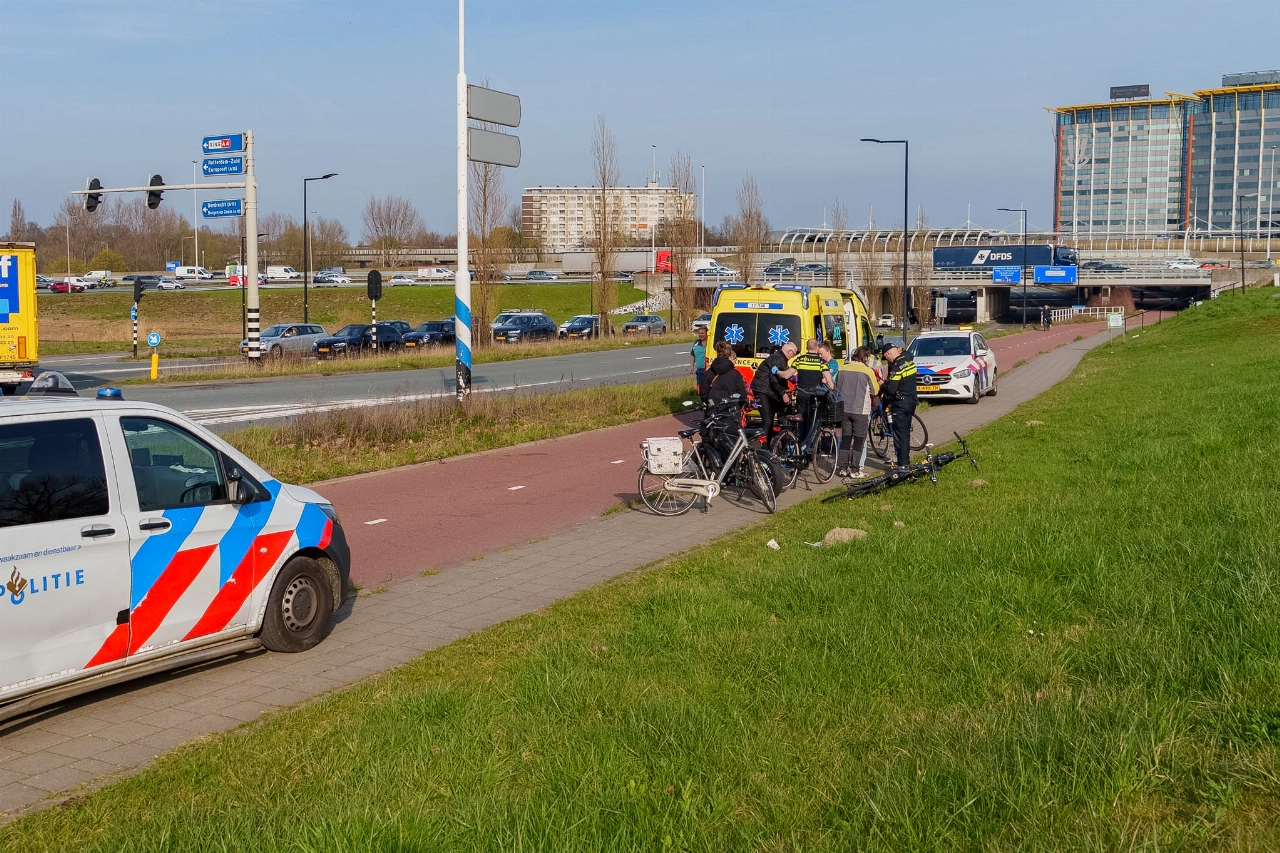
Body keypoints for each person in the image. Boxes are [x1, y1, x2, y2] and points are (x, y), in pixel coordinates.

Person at [832, 345, 879, 478]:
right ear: (865, 357)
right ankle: (854, 470)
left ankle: (842, 468)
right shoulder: (867, 371)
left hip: (844, 409)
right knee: (859, 440)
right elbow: (875, 391)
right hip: (860, 410)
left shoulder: (842, 368)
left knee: (846, 438)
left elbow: (835, 387)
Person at [879, 340, 918, 469]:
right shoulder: (908, 360)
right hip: (911, 401)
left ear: (889, 353)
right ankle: (905, 463)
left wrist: (883, 384)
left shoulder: (896, 366)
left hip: (900, 404)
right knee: (905, 434)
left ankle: (903, 465)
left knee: (899, 436)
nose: (887, 359)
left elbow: (891, 389)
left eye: (886, 357)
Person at [750, 341, 797, 442]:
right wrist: (783, 393)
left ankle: (771, 445)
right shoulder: (778, 358)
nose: (793, 357)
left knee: (772, 417)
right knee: (767, 420)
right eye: (793, 354)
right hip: (762, 390)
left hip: (767, 390)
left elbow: (782, 375)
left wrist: (792, 379)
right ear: (790, 352)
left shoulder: (780, 358)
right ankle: (764, 448)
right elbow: (774, 379)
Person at [690, 326, 709, 398]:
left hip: (708, 371)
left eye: (702, 333)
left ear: (707, 333)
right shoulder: (696, 343)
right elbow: (692, 354)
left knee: (708, 390)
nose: (700, 335)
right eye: (699, 333)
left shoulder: (710, 343)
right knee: (700, 390)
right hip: (700, 371)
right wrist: (692, 366)